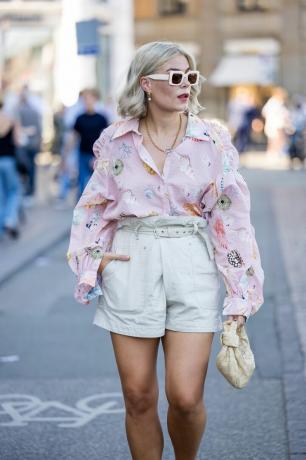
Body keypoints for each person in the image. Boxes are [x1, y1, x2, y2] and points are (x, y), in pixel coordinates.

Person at [66, 41, 264, 459]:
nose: (186, 85)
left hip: (192, 260)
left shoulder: (212, 140)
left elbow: (231, 218)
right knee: (138, 396)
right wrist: (91, 257)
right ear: (146, 84)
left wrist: (240, 293)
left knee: (185, 396)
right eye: (175, 76)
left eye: (191, 76)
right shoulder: (115, 141)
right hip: (131, 259)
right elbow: (93, 205)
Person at [62, 89, 109, 200]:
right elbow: (73, 137)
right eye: (85, 99)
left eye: (90, 98)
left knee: (100, 183)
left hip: (98, 155)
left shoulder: (101, 118)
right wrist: (65, 155)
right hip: (83, 154)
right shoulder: (79, 118)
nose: (87, 101)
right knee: (82, 183)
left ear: (95, 99)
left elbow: (107, 137)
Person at [0, 95, 21, 239]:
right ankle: (10, 220)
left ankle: (2, 226)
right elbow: (18, 141)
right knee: (13, 191)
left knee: (1, 195)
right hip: (8, 159)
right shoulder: (10, 119)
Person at [16, 85, 42, 201]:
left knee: (24, 167)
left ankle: (27, 189)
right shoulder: (35, 111)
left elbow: (18, 129)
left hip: (24, 144)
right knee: (32, 168)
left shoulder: (19, 111)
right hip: (34, 143)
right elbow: (39, 128)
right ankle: (31, 189)